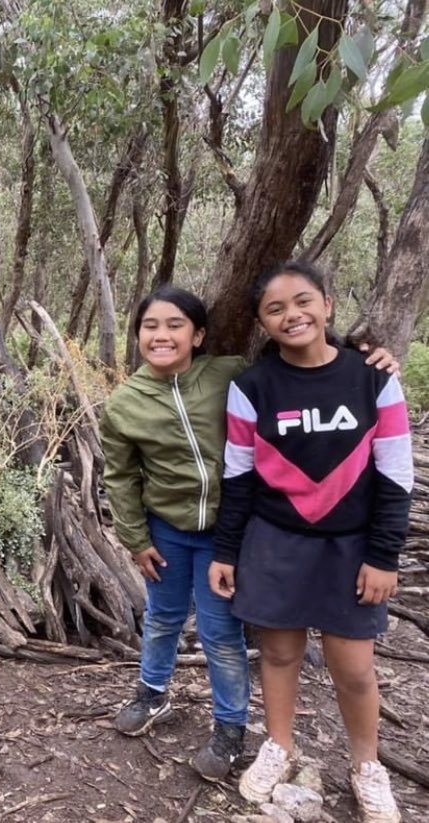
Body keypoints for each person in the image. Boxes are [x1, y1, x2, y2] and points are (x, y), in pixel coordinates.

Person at [101, 285, 397, 783]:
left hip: (227, 536)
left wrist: (362, 353)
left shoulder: (230, 374)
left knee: (220, 633)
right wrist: (135, 538)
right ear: (137, 336)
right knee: (162, 617)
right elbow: (121, 476)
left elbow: (297, 363)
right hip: (166, 532)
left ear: (199, 336)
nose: (161, 335)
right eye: (150, 326)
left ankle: (230, 726)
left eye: (175, 325)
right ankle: (151, 693)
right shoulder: (125, 403)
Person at [208, 261, 410, 823]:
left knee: (354, 668)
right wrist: (226, 551)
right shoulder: (252, 387)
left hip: (352, 548)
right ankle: (279, 746)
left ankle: (367, 766)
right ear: (262, 323)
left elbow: (395, 475)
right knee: (278, 653)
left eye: (303, 301)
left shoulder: (373, 379)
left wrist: (383, 555)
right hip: (275, 543)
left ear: (327, 305)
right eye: (275, 309)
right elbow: (238, 476)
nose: (292, 315)